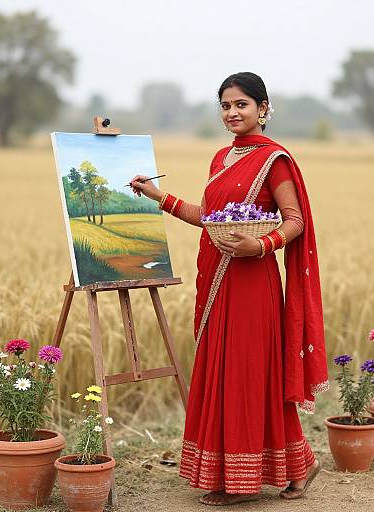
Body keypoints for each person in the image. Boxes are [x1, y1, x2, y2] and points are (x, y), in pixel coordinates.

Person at [130, 72, 328, 506]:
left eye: (241, 104)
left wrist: (259, 244)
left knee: (249, 375)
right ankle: (296, 465)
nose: (232, 113)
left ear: (263, 108)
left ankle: (242, 481)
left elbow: (294, 220)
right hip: (220, 281)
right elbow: (210, 216)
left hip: (253, 282)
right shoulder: (221, 159)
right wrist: (156, 196)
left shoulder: (274, 160)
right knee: (224, 371)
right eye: (225, 105)